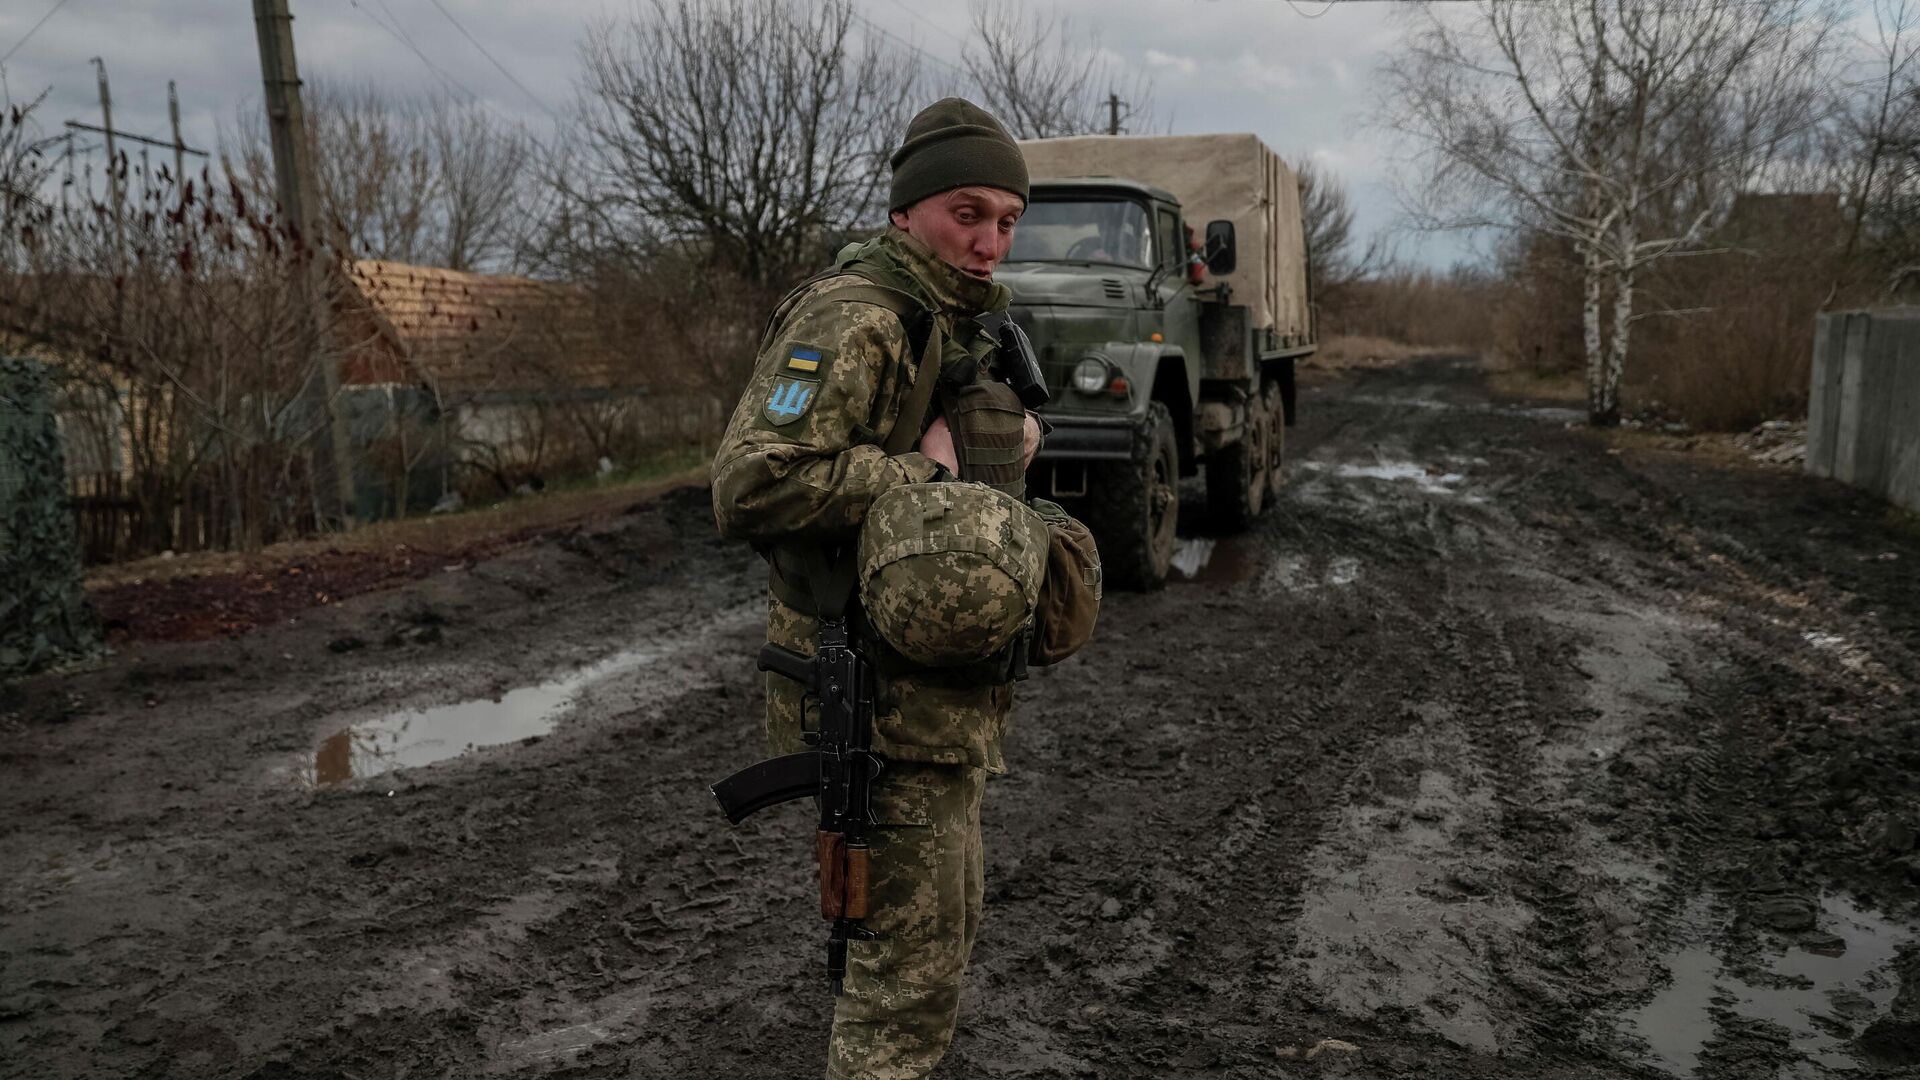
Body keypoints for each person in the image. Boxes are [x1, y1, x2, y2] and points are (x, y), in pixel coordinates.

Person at [710, 97, 1041, 1080]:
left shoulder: (940, 318)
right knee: (903, 981)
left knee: (929, 947)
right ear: (906, 212)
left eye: (1008, 221)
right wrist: (930, 469)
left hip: (926, 686)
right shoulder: (859, 317)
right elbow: (749, 483)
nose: (989, 242)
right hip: (871, 688)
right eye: (967, 214)